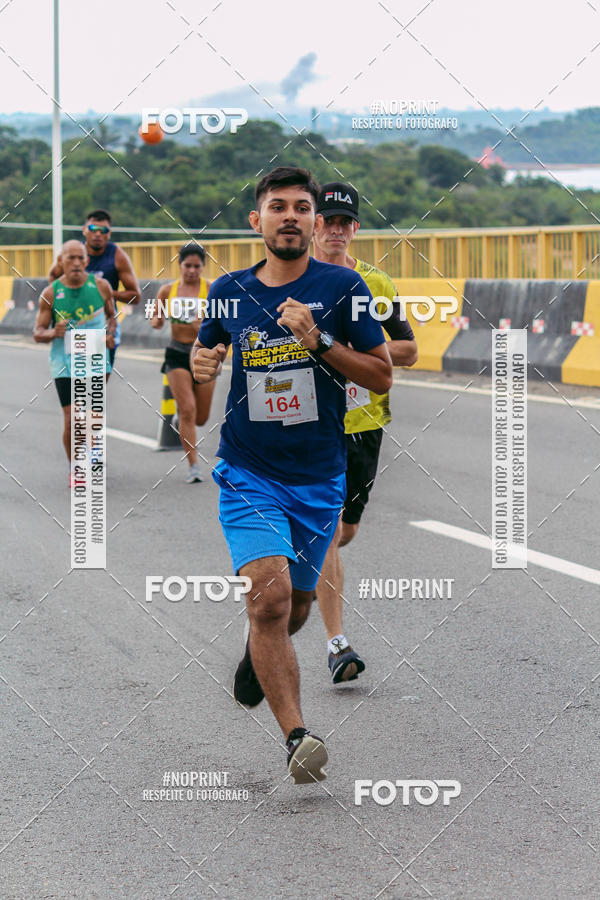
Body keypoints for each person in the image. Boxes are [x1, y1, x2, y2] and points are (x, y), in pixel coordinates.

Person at [191, 166, 392, 783]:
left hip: (319, 476)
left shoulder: (343, 286)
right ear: (257, 220)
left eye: (301, 207)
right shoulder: (228, 290)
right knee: (269, 598)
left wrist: (319, 339)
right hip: (249, 471)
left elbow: (381, 375)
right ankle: (297, 736)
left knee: (299, 605)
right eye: (276, 206)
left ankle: (261, 651)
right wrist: (203, 364)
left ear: (312, 221)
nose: (289, 216)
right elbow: (207, 356)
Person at [312, 182, 418, 684]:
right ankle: (338, 645)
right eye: (327, 221)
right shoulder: (293, 279)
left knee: (345, 529)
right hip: (311, 423)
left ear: (355, 229)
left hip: (365, 421)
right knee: (329, 531)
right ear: (313, 225)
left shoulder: (376, 283)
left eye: (344, 223)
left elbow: (409, 349)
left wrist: (347, 347)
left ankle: (289, 590)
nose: (335, 230)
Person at [33, 240, 116, 485]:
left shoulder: (101, 286)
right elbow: (37, 332)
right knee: (71, 418)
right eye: (71, 258)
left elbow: (113, 317)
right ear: (61, 262)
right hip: (64, 363)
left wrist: (111, 334)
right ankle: (75, 467)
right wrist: (51, 333)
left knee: (92, 417)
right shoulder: (51, 293)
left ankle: (93, 456)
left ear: (87, 261)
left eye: (81, 258)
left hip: (96, 359)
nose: (77, 263)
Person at [149, 243, 216, 483]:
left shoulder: (211, 289)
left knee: (200, 418)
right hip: (177, 353)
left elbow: (222, 322)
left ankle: (183, 420)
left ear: (203, 267)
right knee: (188, 409)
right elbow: (155, 319)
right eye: (187, 265)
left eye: (197, 266)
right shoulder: (168, 290)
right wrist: (157, 320)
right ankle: (194, 466)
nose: (191, 270)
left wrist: (205, 325)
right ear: (180, 266)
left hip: (203, 353)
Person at [49, 209, 141, 369]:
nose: (98, 234)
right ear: (84, 230)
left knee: (96, 385)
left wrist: (105, 293)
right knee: (73, 380)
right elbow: (53, 278)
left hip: (104, 324)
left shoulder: (117, 256)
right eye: (93, 229)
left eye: (103, 230)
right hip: (74, 323)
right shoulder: (74, 253)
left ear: (109, 233)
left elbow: (135, 296)